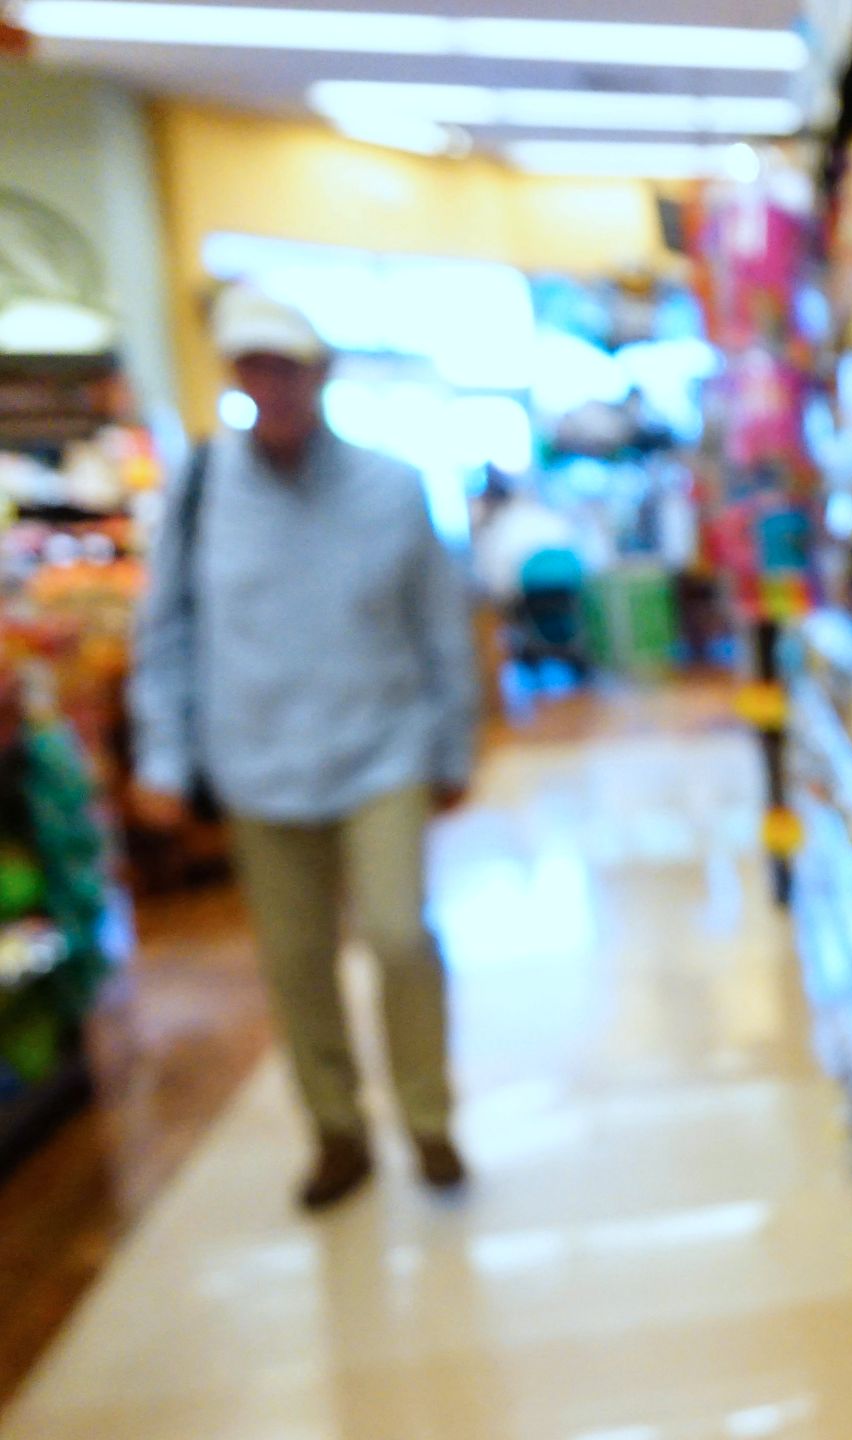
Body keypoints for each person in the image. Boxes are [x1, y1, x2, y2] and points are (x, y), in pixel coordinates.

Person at [129, 287, 477, 1211]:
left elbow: (442, 624)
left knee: (401, 938)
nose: (269, 385)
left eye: (285, 366)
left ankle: (429, 1116)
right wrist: (163, 760)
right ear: (235, 379)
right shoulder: (201, 491)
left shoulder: (393, 487)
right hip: (257, 764)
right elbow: (164, 634)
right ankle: (336, 1130)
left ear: (318, 375)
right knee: (295, 961)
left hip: (383, 749)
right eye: (251, 368)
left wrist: (453, 745)